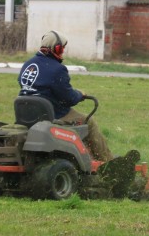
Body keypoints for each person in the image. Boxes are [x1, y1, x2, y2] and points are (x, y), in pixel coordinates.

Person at [17, 30, 114, 162]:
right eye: (62, 49)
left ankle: (87, 156)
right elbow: (69, 98)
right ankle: (107, 162)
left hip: (27, 114)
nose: (62, 52)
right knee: (89, 122)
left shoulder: (27, 64)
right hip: (53, 114)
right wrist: (80, 94)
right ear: (56, 49)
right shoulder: (57, 69)